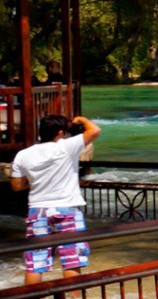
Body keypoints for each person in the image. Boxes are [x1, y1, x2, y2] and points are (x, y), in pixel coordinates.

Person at [9, 115, 101, 284]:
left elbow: (17, 185)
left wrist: (40, 180)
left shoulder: (23, 154)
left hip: (38, 210)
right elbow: (95, 130)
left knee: (36, 263)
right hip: (67, 209)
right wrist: (80, 119)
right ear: (60, 133)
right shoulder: (67, 147)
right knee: (71, 261)